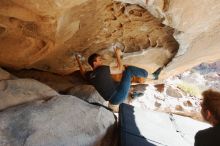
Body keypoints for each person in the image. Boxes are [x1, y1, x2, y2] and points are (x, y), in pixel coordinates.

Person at [76, 48, 162, 112]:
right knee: (129, 70)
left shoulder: (90, 75)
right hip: (118, 95)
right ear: (94, 63)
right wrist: (117, 54)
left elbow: (82, 72)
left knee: (121, 81)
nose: (102, 61)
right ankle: (154, 76)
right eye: (100, 60)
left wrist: (77, 59)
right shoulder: (102, 69)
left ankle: (133, 95)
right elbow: (120, 69)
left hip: (114, 99)